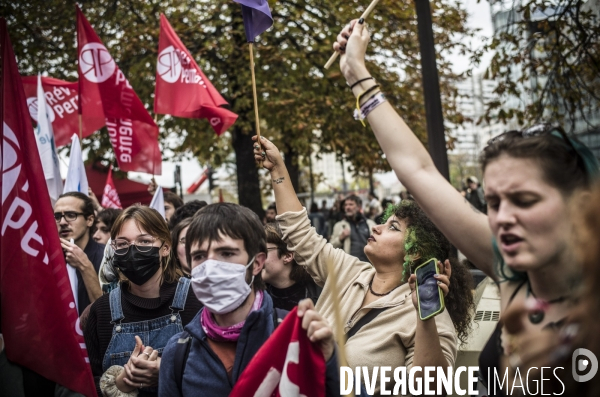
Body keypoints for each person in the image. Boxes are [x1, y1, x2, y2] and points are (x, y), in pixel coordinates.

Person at [333, 19, 599, 396]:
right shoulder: (510, 271)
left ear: (582, 205)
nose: (503, 217)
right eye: (493, 202)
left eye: (525, 201)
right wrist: (357, 73)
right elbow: (417, 170)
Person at [254, 136, 475, 395]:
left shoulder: (429, 315)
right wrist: (278, 169)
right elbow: (299, 233)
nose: (377, 227)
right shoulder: (351, 272)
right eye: (384, 221)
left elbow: (429, 388)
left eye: (392, 227)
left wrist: (425, 317)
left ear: (415, 252)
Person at [158, 203, 339, 396]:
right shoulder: (178, 353)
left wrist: (331, 360)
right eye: (199, 256)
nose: (210, 267)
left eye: (226, 253)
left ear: (257, 263)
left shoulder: (296, 335)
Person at [83, 205, 203, 397]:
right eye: (122, 244)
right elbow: (84, 385)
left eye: (144, 241)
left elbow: (219, 371)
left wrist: (168, 370)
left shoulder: (197, 299)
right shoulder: (101, 311)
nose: (133, 251)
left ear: (165, 248)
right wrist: (120, 382)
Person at [55, 191, 104, 315]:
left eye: (71, 215)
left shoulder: (108, 256)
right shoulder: (49, 259)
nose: (62, 222)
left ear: (90, 220)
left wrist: (85, 266)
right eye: (57, 216)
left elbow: (107, 314)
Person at [264, 222, 322, 310]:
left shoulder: (320, 296)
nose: (256, 257)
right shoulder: (253, 297)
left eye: (263, 250)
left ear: (287, 256)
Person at [330, 194, 375, 262]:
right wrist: (340, 238)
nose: (347, 207)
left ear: (359, 207)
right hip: (350, 268)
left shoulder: (370, 224)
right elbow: (331, 247)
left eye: (351, 204)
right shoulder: (339, 225)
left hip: (369, 267)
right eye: (346, 205)